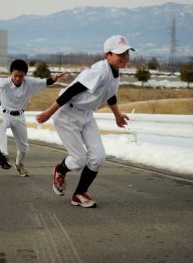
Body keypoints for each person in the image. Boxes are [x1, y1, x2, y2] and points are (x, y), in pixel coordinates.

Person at [36, 35, 133, 208]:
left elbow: (110, 94)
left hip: (86, 114)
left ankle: (79, 194)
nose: (125, 57)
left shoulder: (114, 73)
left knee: (98, 157)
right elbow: (71, 91)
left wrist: (117, 115)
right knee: (79, 160)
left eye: (127, 53)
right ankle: (60, 169)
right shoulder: (99, 71)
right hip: (66, 113)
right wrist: (49, 113)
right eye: (120, 54)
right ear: (107, 55)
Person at [0, 55, 66, 176]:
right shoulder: (2, 82)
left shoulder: (30, 83)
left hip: (19, 117)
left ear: (25, 75)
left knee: (24, 148)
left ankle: (19, 164)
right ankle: (2, 154)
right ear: (11, 73)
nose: (18, 78)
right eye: (15, 75)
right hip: (3, 114)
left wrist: (54, 78)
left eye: (21, 76)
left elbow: (47, 81)